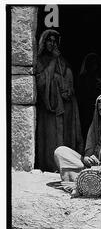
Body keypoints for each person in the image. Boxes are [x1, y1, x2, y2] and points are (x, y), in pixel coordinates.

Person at [35, 29, 83, 172]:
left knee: (64, 136)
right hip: (50, 107)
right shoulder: (40, 60)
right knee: (51, 137)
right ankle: (50, 165)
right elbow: (41, 81)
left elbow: (68, 78)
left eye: (54, 41)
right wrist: (53, 61)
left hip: (65, 105)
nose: (52, 43)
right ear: (44, 42)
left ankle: (66, 164)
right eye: (49, 40)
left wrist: (69, 90)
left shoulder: (62, 61)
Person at [77, 53, 101, 140]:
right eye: (92, 63)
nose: (94, 66)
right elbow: (82, 95)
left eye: (96, 63)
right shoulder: (83, 78)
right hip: (87, 109)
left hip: (100, 109)